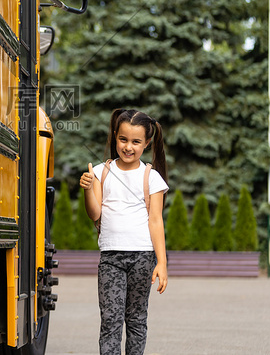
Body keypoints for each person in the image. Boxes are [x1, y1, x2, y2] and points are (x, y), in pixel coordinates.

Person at [79, 108, 169, 355]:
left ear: (147, 143)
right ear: (115, 137)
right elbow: (94, 214)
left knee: (137, 319)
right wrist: (88, 188)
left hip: (142, 257)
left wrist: (161, 263)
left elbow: (156, 221)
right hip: (110, 258)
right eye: (123, 139)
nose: (128, 147)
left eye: (136, 142)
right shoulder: (100, 172)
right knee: (110, 320)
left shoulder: (152, 177)